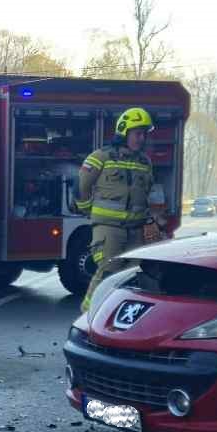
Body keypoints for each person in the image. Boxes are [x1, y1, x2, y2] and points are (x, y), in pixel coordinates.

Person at [78, 107, 159, 307]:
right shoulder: (101, 156)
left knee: (135, 277)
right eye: (137, 133)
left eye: (144, 134)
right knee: (107, 272)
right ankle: (88, 316)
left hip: (136, 231)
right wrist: (88, 210)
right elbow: (81, 186)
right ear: (124, 132)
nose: (141, 139)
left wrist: (153, 220)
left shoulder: (145, 162)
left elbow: (148, 193)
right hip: (109, 229)